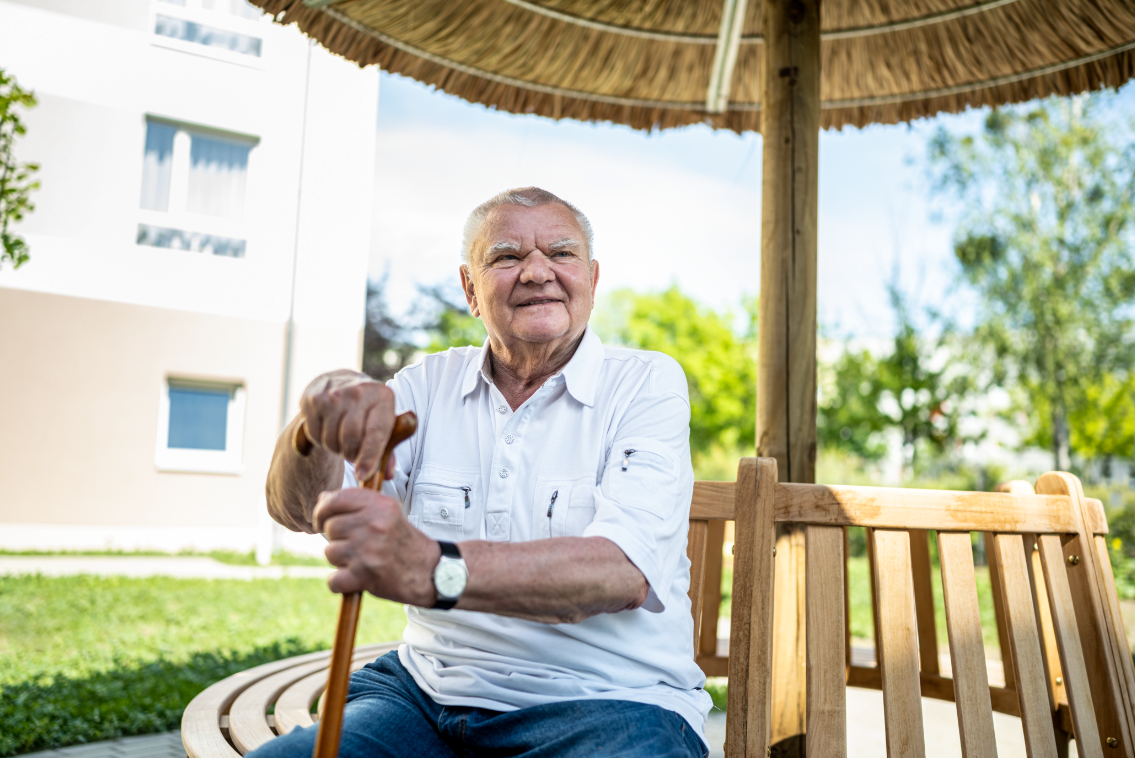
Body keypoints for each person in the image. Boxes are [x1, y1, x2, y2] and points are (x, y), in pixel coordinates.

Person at [257, 187, 710, 758]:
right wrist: (317, 419)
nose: (537, 272)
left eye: (561, 253)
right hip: (424, 696)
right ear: (470, 290)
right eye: (507, 256)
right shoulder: (424, 386)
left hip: (610, 704)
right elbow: (298, 510)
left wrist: (432, 568)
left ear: (592, 281)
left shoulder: (646, 384)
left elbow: (620, 574)